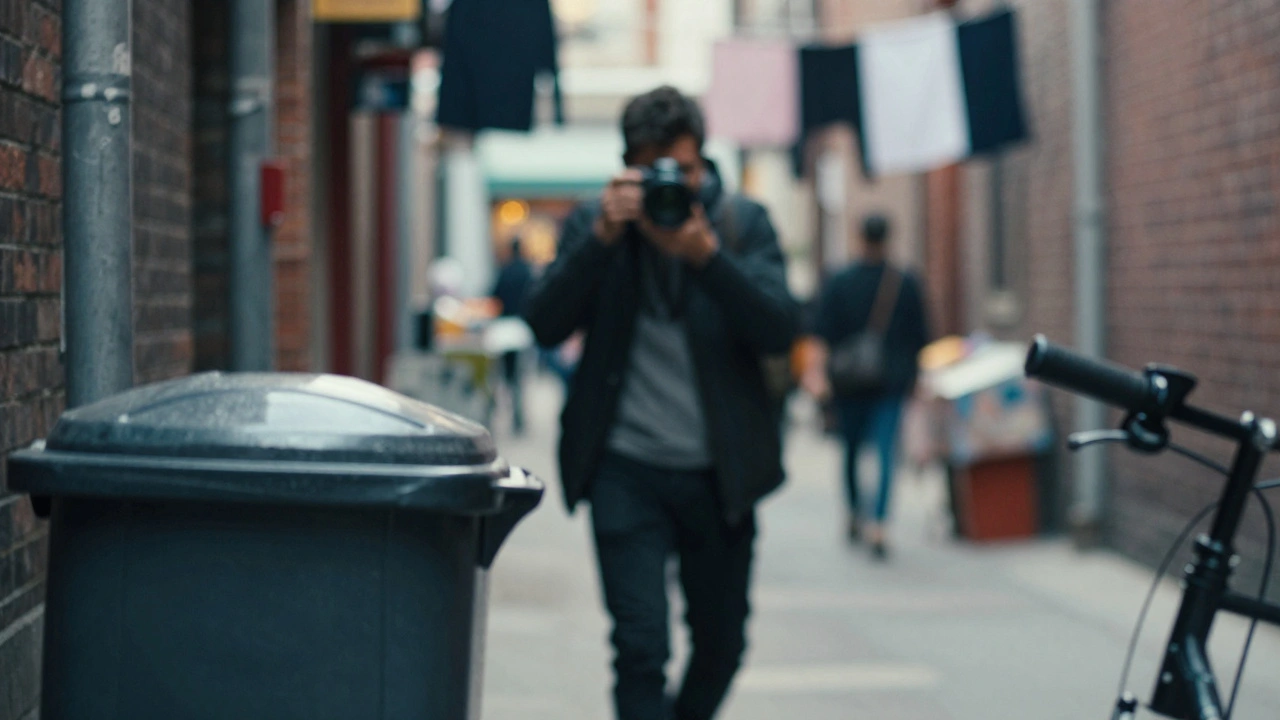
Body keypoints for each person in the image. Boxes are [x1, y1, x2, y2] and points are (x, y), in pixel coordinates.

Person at [523, 85, 799, 720]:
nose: (676, 186)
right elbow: (543, 325)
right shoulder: (601, 225)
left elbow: (781, 328)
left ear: (704, 163)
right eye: (656, 173)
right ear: (628, 168)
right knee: (641, 647)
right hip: (626, 469)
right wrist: (598, 241)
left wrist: (708, 260)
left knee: (722, 645)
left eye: (687, 170)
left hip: (720, 476)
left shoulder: (741, 224)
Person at [813, 214, 930, 560]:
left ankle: (854, 513)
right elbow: (920, 336)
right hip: (891, 382)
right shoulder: (905, 282)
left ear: (858, 236)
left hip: (848, 383)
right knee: (884, 454)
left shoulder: (839, 281)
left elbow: (821, 331)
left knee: (850, 452)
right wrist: (915, 379)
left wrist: (819, 377)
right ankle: (879, 524)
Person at [491, 237, 534, 433]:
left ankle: (499, 411)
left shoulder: (505, 270)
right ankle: (518, 417)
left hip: (503, 327)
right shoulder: (527, 271)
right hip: (521, 328)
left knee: (503, 374)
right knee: (519, 376)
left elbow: (494, 294)